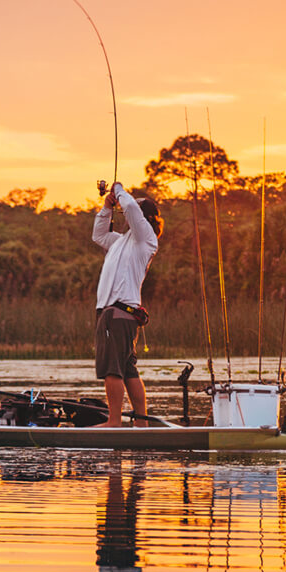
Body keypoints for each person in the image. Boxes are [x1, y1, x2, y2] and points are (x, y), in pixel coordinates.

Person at [92, 181, 163, 427]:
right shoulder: (121, 242)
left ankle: (114, 421)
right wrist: (107, 207)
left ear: (145, 218)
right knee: (128, 369)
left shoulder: (147, 238)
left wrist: (118, 188)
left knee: (113, 369)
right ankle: (141, 423)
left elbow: (132, 207)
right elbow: (98, 234)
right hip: (116, 314)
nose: (126, 215)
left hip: (118, 313)